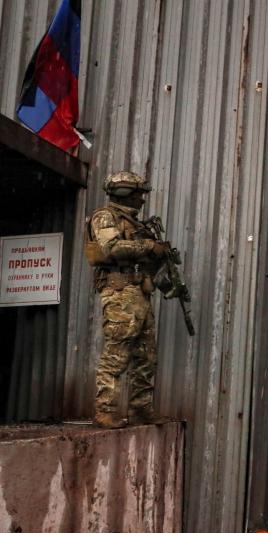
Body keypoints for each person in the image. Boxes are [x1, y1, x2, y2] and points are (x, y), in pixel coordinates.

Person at [85, 171, 168, 428]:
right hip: (120, 292)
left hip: (139, 292)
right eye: (139, 193)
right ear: (126, 193)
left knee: (146, 356)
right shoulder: (104, 217)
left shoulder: (136, 224)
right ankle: (105, 410)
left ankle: (141, 409)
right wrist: (148, 247)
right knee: (117, 353)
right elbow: (112, 248)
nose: (143, 199)